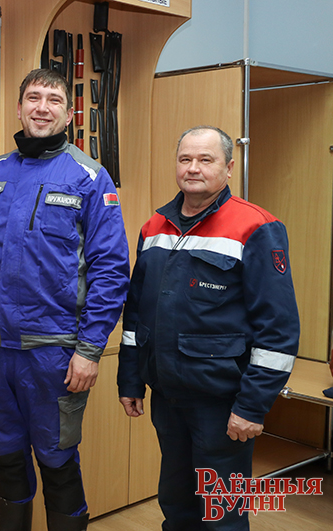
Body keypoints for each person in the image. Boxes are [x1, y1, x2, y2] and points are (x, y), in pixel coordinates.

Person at [0, 68, 130, 531]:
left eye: (53, 99)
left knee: (57, 463)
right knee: (5, 460)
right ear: (19, 107)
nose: (42, 107)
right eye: (33, 97)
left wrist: (90, 350)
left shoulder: (90, 177)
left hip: (54, 355)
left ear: (69, 113)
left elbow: (110, 271)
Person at [117, 126, 300, 530]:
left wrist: (251, 407)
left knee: (222, 515)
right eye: (185, 159)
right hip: (167, 397)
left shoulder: (256, 227)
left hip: (222, 404)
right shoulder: (154, 227)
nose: (193, 168)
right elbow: (137, 314)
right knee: (176, 504)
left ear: (229, 168)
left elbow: (278, 331)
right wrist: (130, 380)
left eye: (205, 159)